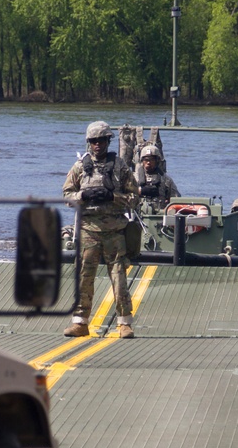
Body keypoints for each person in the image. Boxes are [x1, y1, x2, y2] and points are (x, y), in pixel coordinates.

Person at [62, 121, 140, 339]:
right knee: (84, 276)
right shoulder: (79, 167)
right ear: (89, 143)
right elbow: (66, 195)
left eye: (102, 140)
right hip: (88, 230)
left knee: (119, 278)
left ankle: (124, 323)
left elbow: (135, 198)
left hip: (115, 231)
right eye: (94, 141)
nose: (98, 145)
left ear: (108, 141)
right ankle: (80, 322)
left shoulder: (120, 167)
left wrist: (113, 197)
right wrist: (82, 196)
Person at [137, 144, 180, 210]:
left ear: (157, 161)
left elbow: (176, 199)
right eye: (146, 160)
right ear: (142, 161)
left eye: (151, 160)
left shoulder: (166, 180)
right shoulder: (134, 178)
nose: (148, 162)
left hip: (159, 215)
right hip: (138, 214)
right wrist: (139, 191)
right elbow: (125, 195)